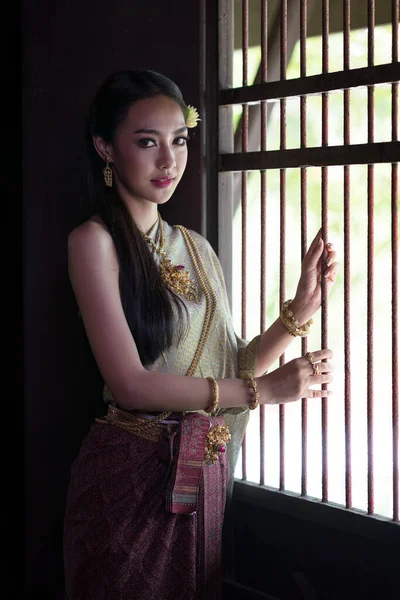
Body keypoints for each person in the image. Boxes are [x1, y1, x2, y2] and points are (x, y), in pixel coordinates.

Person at [63, 69, 339, 600]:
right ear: (106, 147)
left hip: (196, 475)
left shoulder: (195, 247)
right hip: (127, 480)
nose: (169, 160)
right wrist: (266, 392)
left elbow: (228, 365)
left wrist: (299, 311)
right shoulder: (93, 244)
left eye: (179, 140)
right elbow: (132, 386)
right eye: (147, 142)